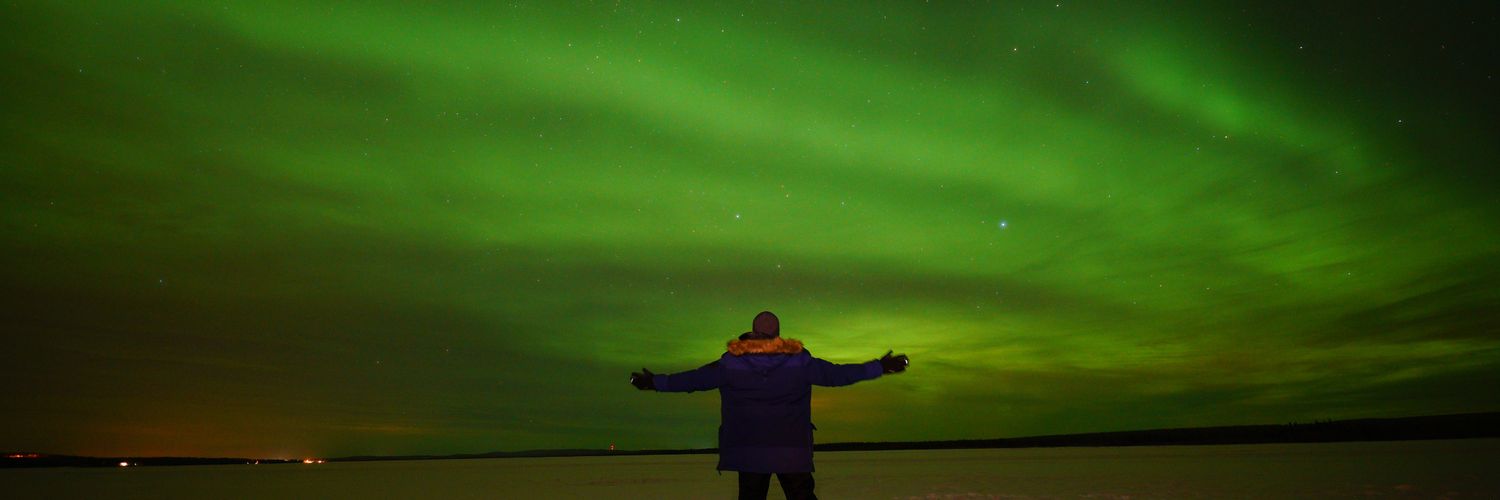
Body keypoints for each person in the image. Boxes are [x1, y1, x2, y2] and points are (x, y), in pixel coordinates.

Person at [630, 311, 909, 500]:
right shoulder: (800, 362)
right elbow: (838, 375)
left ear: (753, 332)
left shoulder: (730, 364)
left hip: (749, 451)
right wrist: (880, 367)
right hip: (791, 451)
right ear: (778, 334)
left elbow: (693, 380)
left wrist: (654, 382)